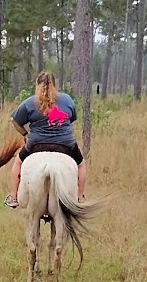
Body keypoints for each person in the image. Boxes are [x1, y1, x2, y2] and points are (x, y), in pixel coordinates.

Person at [6, 70, 87, 208]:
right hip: (65, 143)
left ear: (37, 85)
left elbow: (14, 120)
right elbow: (71, 118)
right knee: (81, 164)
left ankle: (13, 197)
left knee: (18, 163)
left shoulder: (30, 102)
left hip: (37, 143)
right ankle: (79, 196)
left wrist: (25, 134)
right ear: (54, 85)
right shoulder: (67, 99)